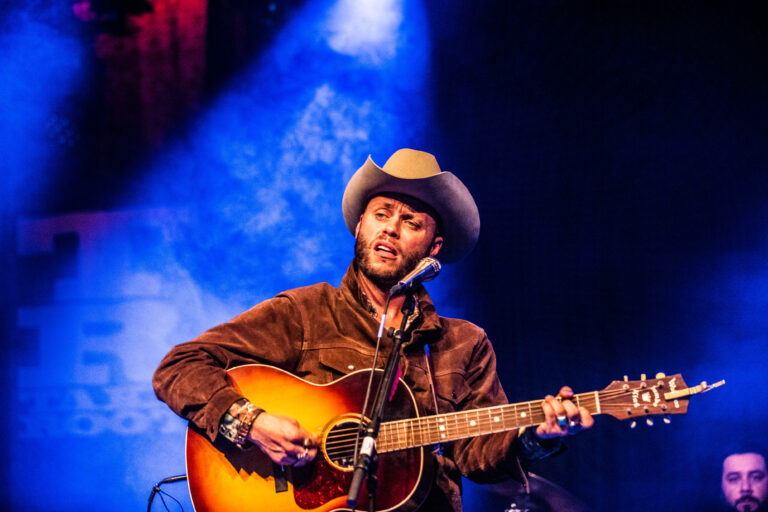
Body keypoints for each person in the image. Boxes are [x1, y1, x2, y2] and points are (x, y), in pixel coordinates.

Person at [153, 148, 593, 511]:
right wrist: (253, 422)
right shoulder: (304, 313)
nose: (391, 229)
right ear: (361, 224)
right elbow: (178, 367)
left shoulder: (464, 344)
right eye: (382, 213)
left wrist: (535, 435)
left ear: (433, 247)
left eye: (411, 222)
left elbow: (479, 457)